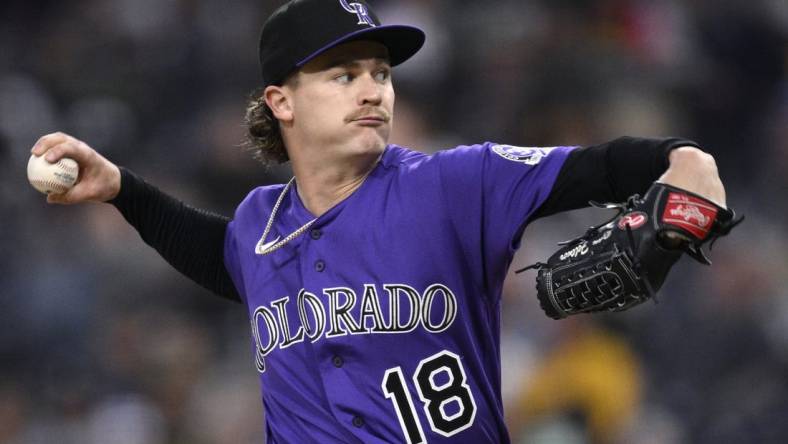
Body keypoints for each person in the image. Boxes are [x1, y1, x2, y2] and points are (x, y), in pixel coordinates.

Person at [30, 0, 728, 442]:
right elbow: (218, 255)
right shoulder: (258, 225)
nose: (373, 89)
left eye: (380, 73)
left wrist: (687, 160)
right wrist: (122, 190)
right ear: (282, 101)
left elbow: (601, 167)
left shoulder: (455, 182)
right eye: (343, 74)